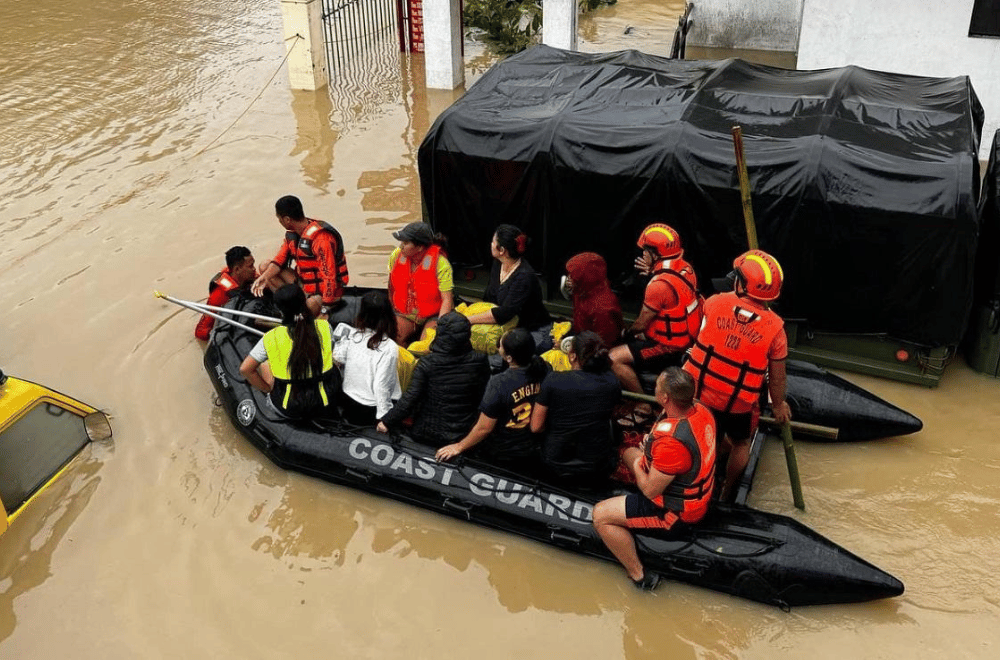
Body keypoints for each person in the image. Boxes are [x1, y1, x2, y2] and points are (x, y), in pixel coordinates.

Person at [592, 367, 717, 590]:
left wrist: (637, 467)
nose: (655, 389)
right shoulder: (701, 409)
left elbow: (650, 490)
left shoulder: (672, 444)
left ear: (665, 397)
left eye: (657, 387)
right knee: (630, 452)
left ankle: (639, 575)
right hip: (688, 484)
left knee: (600, 515)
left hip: (675, 514)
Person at [683, 249, 792, 501]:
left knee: (694, 433)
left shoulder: (713, 302)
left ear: (742, 283)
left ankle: (692, 478)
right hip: (737, 403)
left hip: (698, 394)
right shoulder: (777, 330)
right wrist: (778, 405)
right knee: (741, 443)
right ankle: (727, 489)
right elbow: (777, 378)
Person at [435, 329, 550, 468]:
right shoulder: (544, 368)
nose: (498, 347)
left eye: (500, 345)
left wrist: (459, 446)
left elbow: (484, 428)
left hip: (503, 450)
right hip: (532, 445)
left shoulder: (499, 383)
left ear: (509, 358)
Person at [610, 223, 703, 393]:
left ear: (655, 253)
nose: (643, 254)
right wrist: (654, 271)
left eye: (645, 250)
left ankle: (642, 404)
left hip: (667, 347)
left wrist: (625, 334)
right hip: (688, 338)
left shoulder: (657, 286)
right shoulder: (686, 268)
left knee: (613, 358)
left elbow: (640, 324)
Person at [377, 311, 490, 447]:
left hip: (428, 433)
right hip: (463, 433)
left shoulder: (427, 364)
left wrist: (387, 421)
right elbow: (482, 394)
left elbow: (410, 399)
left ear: (440, 334)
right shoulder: (481, 360)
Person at [530, 331, 621, 486]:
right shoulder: (613, 382)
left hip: (555, 464)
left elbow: (536, 427)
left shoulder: (554, 380)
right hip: (596, 466)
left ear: (572, 356)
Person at [239, 284, 340, 419]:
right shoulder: (325, 327)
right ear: (305, 302)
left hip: (291, 407)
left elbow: (245, 369)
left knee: (266, 362)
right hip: (327, 400)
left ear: (280, 311)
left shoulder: (271, 337)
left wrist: (268, 389)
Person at [251, 195, 349, 318]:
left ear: (287, 219)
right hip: (304, 284)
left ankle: (299, 314)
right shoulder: (293, 234)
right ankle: (290, 306)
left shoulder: (321, 239)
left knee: (309, 307)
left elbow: (330, 277)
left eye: (279, 219)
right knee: (265, 266)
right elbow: (280, 260)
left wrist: (325, 308)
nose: (280, 222)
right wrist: (264, 278)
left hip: (324, 291)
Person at [332, 291, 401, 426]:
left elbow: (337, 357)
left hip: (349, 401)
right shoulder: (389, 347)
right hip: (370, 408)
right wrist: (385, 419)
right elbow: (381, 386)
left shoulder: (353, 335)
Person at [466, 224, 552, 332]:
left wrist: (467, 320)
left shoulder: (524, 276)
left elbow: (504, 313)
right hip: (506, 326)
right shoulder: (498, 263)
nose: (491, 244)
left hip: (531, 330)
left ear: (502, 250)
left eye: (493, 242)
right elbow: (489, 298)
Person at [387, 221, 454, 344]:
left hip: (432, 314)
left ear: (419, 247)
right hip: (405, 313)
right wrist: (391, 312)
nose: (401, 246)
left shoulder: (441, 264)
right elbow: (391, 287)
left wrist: (441, 326)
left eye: (406, 243)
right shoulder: (396, 255)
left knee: (426, 346)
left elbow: (447, 300)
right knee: (392, 340)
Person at [563, 251, 624, 349]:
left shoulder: (602, 309)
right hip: (582, 338)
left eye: (573, 275)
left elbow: (605, 344)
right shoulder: (583, 290)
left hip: (595, 351)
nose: (569, 279)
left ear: (584, 277)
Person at [195, 246, 256, 340]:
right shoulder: (219, 296)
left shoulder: (249, 276)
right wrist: (223, 334)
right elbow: (200, 331)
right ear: (237, 270)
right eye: (250, 266)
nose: (254, 269)